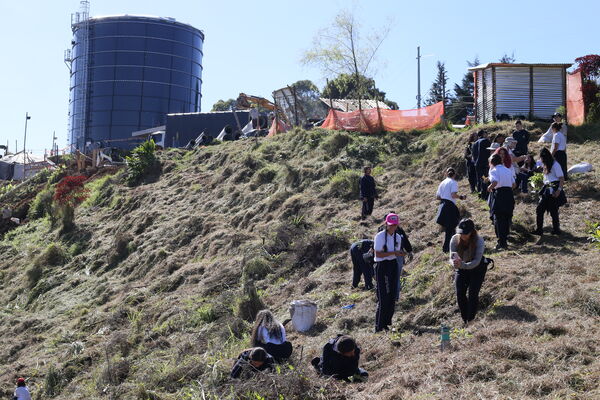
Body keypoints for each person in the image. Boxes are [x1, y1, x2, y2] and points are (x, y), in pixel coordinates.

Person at [449, 219, 487, 326]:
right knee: (460, 293)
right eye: (461, 232)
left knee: (473, 294)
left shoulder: (479, 241)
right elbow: (451, 256)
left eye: (465, 233)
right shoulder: (454, 239)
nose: (462, 235)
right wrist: (455, 263)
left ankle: (471, 320)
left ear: (471, 232)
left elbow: (476, 261)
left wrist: (463, 265)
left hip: (477, 269)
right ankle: (465, 319)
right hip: (461, 267)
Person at [373, 213, 404, 332]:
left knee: (392, 296)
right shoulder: (380, 236)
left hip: (393, 265)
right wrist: (394, 253)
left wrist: (400, 254)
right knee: (383, 297)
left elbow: (396, 252)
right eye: (391, 225)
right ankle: (379, 327)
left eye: (395, 225)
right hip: (382, 266)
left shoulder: (398, 237)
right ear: (386, 224)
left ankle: (387, 324)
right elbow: (378, 254)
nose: (393, 227)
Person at [532, 148, 566, 236]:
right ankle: (539, 230)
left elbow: (561, 178)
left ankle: (556, 229)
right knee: (540, 209)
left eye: (542, 158)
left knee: (553, 210)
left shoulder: (555, 165)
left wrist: (558, 190)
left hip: (554, 187)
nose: (541, 160)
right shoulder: (545, 165)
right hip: (547, 188)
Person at [487, 153, 516, 250]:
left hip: (499, 194)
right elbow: (514, 184)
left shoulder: (493, 170)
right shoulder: (507, 170)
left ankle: (501, 242)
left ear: (492, 162)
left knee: (498, 219)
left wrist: (489, 188)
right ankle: (505, 240)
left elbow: (494, 182)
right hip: (509, 194)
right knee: (507, 217)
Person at [436, 168, 466, 253]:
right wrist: (461, 197)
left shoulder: (442, 183)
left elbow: (438, 197)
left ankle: (452, 247)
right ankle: (447, 248)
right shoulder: (453, 182)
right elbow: (453, 195)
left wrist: (445, 197)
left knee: (450, 228)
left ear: (446, 174)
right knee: (451, 228)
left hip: (442, 205)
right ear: (454, 174)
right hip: (449, 206)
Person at [471, 130, 491, 199]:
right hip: (484, 164)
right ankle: (485, 195)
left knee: (480, 178)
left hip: (477, 164)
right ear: (483, 134)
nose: (488, 135)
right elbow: (488, 153)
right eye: (486, 133)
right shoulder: (485, 141)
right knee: (485, 179)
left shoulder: (475, 143)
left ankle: (480, 194)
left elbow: (473, 155)